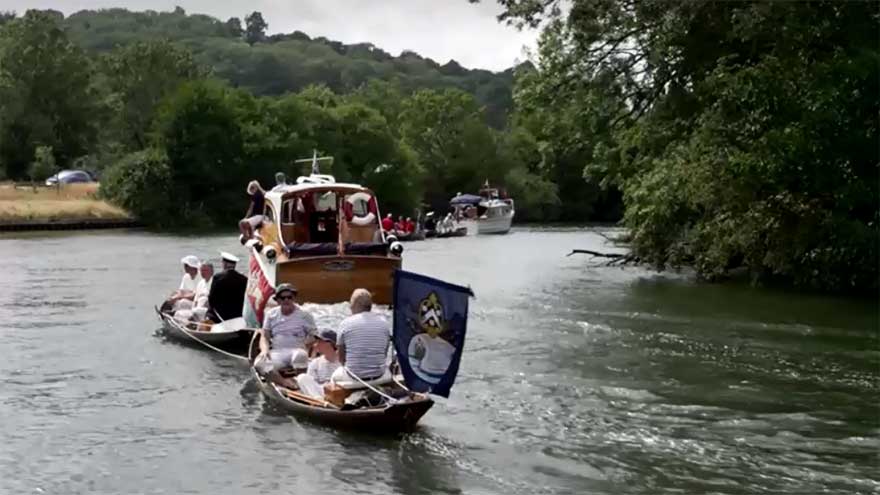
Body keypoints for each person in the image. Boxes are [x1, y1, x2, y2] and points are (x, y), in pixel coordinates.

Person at [256, 283, 317, 386]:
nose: (286, 300)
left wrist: (306, 346)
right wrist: (264, 350)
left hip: (297, 350)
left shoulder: (305, 315)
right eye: (282, 298)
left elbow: (314, 335)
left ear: (294, 298)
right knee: (259, 363)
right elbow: (265, 336)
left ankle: (301, 383)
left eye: (289, 297)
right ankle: (285, 383)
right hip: (278, 352)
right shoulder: (271, 314)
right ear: (278, 300)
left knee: (300, 355)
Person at [334, 289, 390, 382]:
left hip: (354, 376)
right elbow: (384, 353)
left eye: (350, 303)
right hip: (379, 375)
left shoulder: (345, 323)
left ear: (355, 305)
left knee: (334, 377)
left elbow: (341, 359)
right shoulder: (384, 323)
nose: (350, 307)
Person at [207, 252, 248, 322]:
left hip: (220, 316)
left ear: (225, 264)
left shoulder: (218, 277)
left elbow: (211, 299)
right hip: (238, 315)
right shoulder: (244, 279)